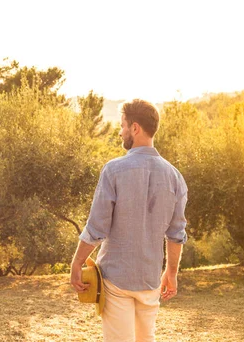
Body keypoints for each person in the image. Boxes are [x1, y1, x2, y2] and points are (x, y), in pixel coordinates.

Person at [70, 99, 188, 342]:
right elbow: (176, 234)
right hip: (150, 280)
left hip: (116, 280)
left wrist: (77, 263)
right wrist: (171, 273)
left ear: (135, 128)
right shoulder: (175, 177)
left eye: (123, 125)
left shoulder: (113, 170)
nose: (120, 131)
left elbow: (96, 228)